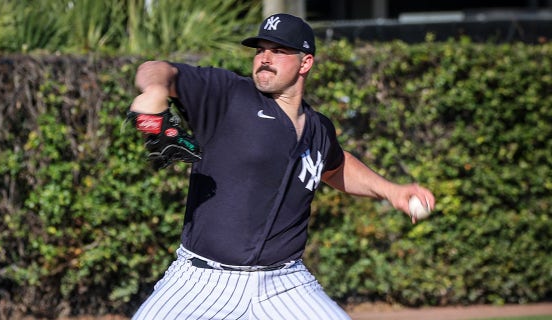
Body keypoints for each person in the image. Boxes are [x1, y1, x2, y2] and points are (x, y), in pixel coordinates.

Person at [128, 13, 435, 320]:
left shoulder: (318, 128)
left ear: (305, 63)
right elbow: (154, 69)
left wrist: (391, 190)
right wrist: (154, 91)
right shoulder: (228, 95)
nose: (265, 58)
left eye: (278, 50)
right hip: (202, 281)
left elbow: (334, 166)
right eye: (260, 49)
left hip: (284, 284)